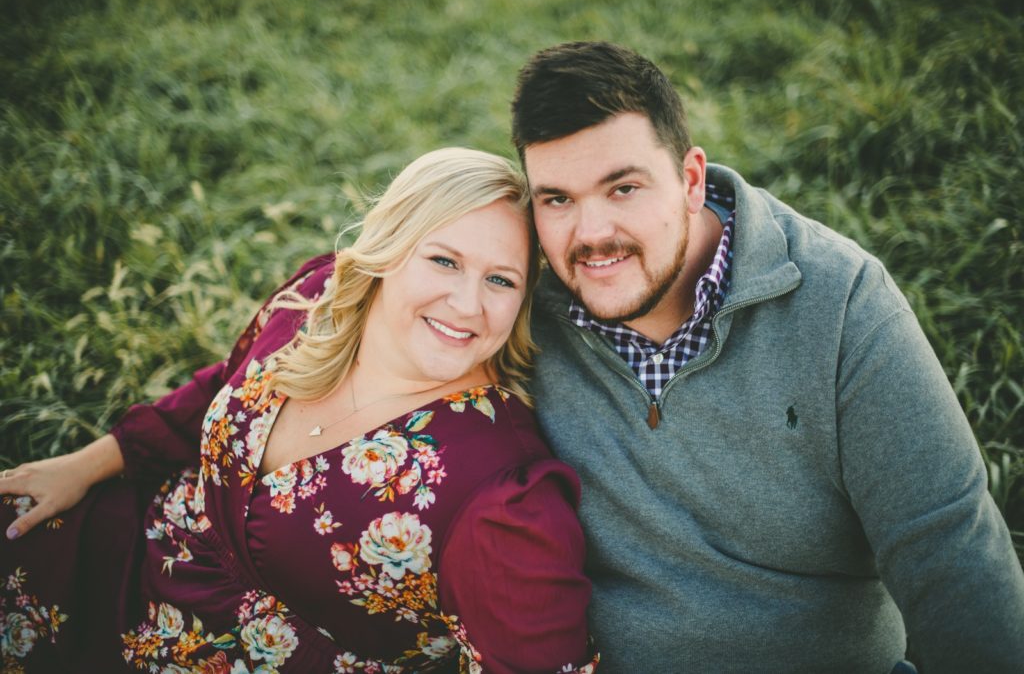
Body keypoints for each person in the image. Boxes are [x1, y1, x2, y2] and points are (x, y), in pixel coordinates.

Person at [510, 41, 1024, 672]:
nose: (590, 234)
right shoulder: (517, 308)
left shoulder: (842, 304)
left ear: (691, 180)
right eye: (557, 198)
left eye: (623, 188)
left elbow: (949, 552)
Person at [0, 148, 600, 673]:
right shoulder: (319, 299)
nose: (468, 304)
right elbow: (225, 388)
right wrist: (86, 464)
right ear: (387, 248)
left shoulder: (501, 501)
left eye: (501, 280)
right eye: (443, 261)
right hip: (130, 554)